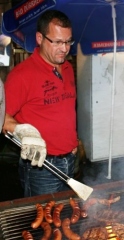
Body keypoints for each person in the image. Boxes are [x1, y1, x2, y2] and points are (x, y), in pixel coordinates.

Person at [3, 10, 78, 197]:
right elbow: (2, 118)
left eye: (68, 41)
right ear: (39, 38)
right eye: (58, 42)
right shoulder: (21, 76)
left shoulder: (67, 68)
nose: (65, 48)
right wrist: (23, 131)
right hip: (41, 167)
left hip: (71, 160)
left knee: (66, 215)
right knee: (44, 221)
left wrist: (73, 142)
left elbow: (65, 111)